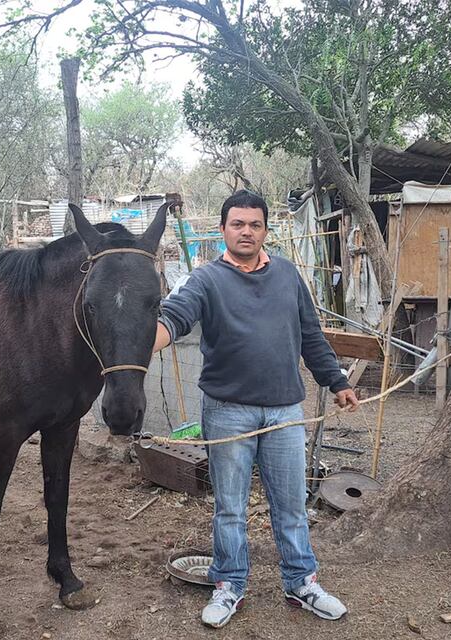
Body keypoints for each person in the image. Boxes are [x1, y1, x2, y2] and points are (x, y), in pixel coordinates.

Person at [153, 190, 359, 629]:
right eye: (237, 224)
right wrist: (145, 339)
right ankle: (229, 585)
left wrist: (336, 381)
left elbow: (311, 337)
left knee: (291, 506)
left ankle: (301, 583)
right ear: (225, 229)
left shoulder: (287, 275)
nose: (246, 231)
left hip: (285, 410)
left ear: (265, 230)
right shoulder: (205, 279)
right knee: (230, 507)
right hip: (228, 411)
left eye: (254, 224)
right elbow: (175, 316)